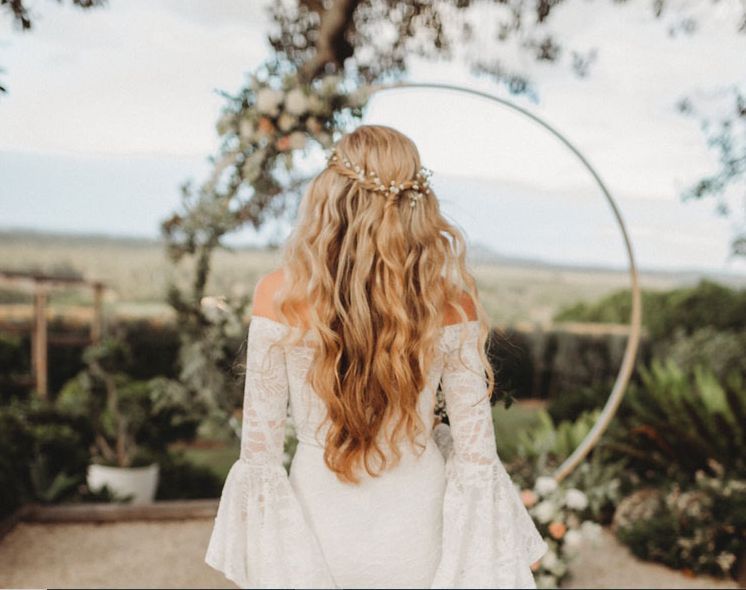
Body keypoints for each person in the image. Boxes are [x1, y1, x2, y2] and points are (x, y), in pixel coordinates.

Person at [204, 124, 548, 589]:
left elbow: (259, 460)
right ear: (418, 205)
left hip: (319, 520)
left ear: (330, 198)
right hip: (417, 528)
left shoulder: (278, 297)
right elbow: (477, 460)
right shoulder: (450, 304)